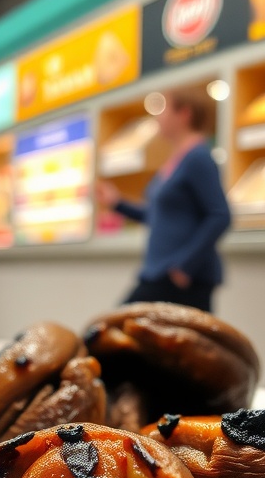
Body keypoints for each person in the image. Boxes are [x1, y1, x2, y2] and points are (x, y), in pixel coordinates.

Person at [96, 88, 231, 313]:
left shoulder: (198, 157)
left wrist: (183, 266)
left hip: (180, 278)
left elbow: (220, 215)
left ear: (184, 114)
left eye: (163, 109)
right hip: (160, 272)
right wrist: (117, 203)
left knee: (117, 329)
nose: (157, 117)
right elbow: (156, 216)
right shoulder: (175, 160)